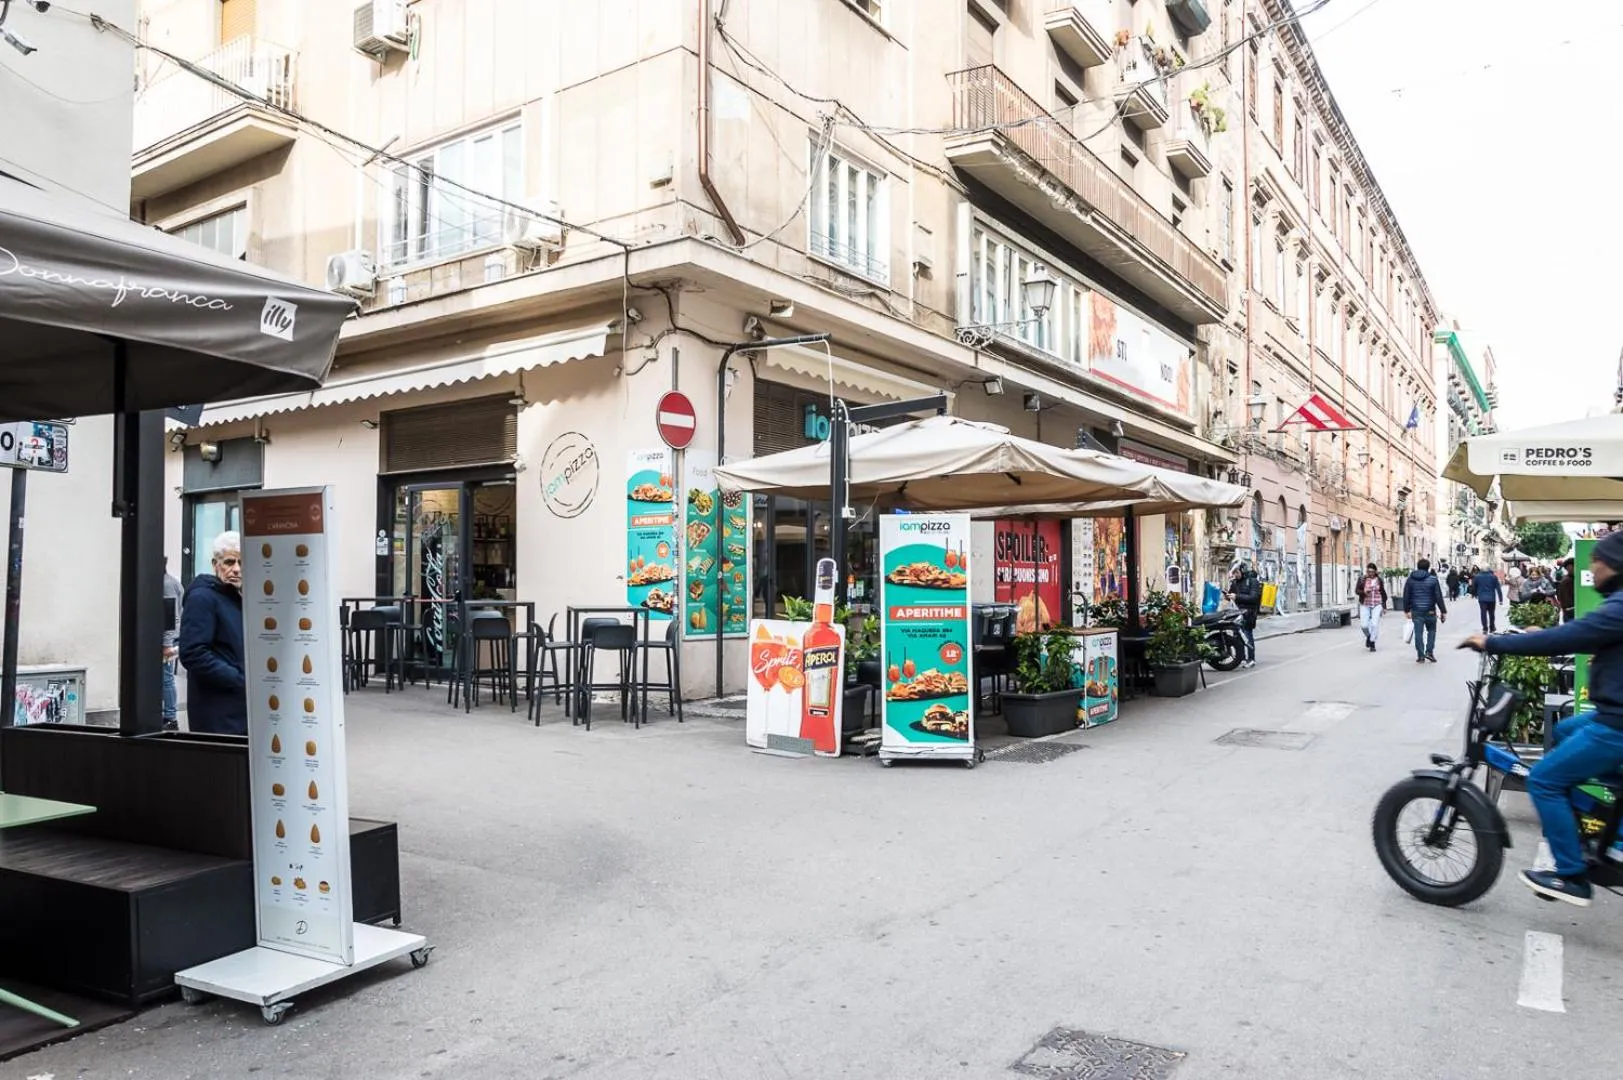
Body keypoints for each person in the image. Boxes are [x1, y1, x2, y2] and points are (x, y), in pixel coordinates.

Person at [1464, 532, 1623, 906]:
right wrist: (1548, 634)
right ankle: (1598, 813)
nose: (1591, 567)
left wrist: (1493, 642)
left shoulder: (1618, 608)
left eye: (1596, 561)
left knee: (1544, 779)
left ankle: (1571, 876)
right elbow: (1579, 636)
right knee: (1566, 730)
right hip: (1612, 717)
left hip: (1616, 724)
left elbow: (1570, 638)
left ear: (1614, 565)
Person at [179, 531, 246, 736]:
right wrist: (239, 679)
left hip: (236, 710)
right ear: (215, 564)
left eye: (242, 563)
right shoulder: (203, 598)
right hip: (217, 715)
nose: (236, 569)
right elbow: (192, 653)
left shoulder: (236, 597)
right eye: (229, 562)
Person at [1401, 557, 1447, 663]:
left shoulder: (1410, 580)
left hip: (1416, 611)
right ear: (1428, 568)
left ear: (1417, 567)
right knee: (1431, 631)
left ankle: (1420, 655)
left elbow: (1406, 595)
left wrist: (1406, 610)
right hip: (1430, 610)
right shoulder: (1433, 580)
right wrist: (1443, 611)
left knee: (1418, 633)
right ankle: (1429, 652)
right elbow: (1438, 597)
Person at [161, 557, 183, 731]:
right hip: (168, 638)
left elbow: (171, 616)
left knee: (166, 679)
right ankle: (167, 715)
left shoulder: (166, 584)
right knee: (165, 678)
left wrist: (167, 644)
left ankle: (170, 717)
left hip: (167, 640)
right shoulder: (171, 581)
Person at [1228, 562, 1262, 668]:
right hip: (1237, 613)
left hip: (1249, 613)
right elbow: (1232, 594)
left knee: (1247, 635)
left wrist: (1236, 597)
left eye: (1237, 572)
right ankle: (1241, 657)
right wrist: (1228, 595)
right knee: (1237, 636)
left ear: (1243, 570)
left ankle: (1251, 659)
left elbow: (1254, 598)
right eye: (1234, 573)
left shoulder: (1252, 581)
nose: (1235, 575)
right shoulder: (1235, 582)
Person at [1356, 563, 1387, 652]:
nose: (1370, 573)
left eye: (1372, 571)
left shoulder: (1379, 580)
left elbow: (1383, 593)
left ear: (1375, 571)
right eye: (1369, 571)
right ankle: (1369, 636)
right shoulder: (1362, 579)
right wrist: (1364, 592)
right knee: (1364, 625)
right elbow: (1357, 590)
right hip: (1365, 604)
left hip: (1377, 604)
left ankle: (1372, 642)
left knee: (1374, 624)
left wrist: (1384, 606)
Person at [1471, 564, 1503, 632]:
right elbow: (1498, 588)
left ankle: (1485, 628)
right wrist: (1501, 599)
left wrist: (1474, 594)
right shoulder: (1493, 577)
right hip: (1491, 598)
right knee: (1491, 613)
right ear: (1489, 569)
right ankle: (1492, 627)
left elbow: (1474, 587)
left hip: (1482, 598)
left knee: (1483, 613)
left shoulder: (1477, 577)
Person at [1556, 555, 1576, 622]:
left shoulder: (1570, 579)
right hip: (1571, 613)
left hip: (1569, 612)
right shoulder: (1567, 581)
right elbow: (1565, 600)